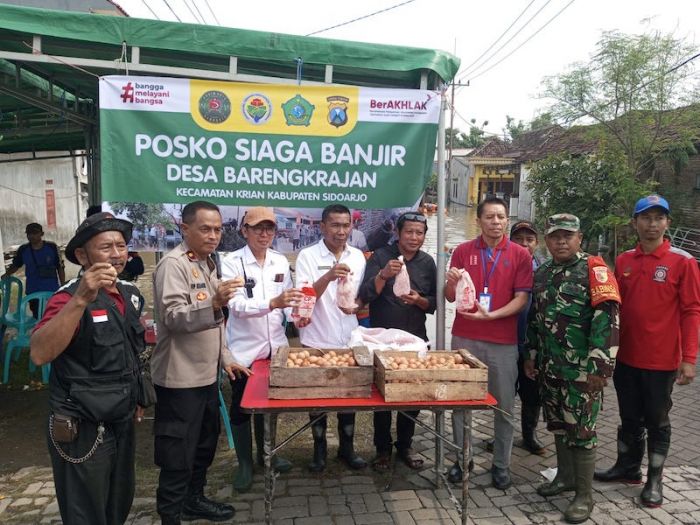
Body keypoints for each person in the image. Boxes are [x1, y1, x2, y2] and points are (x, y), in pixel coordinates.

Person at [29, 212, 145, 525]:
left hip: (120, 418)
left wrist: (137, 396)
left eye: (121, 246)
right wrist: (81, 298)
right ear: (82, 255)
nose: (117, 254)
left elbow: (129, 354)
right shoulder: (66, 297)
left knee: (118, 503)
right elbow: (39, 353)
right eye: (106, 247)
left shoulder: (130, 295)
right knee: (86, 513)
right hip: (81, 426)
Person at [594, 195, 700, 508]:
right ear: (635, 222)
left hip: (661, 360)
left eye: (659, 218)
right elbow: (614, 307)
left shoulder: (683, 262)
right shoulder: (625, 260)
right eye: (646, 218)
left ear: (667, 223)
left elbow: (691, 310)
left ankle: (654, 479)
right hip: (626, 357)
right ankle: (627, 469)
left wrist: (689, 359)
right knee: (629, 418)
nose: (652, 224)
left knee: (657, 421)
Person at [151, 201, 248, 525]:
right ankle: (170, 515)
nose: (213, 235)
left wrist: (227, 359)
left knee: (204, 445)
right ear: (185, 229)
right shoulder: (173, 265)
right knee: (177, 453)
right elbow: (174, 318)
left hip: (206, 377)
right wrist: (217, 303)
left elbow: (216, 323)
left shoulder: (207, 263)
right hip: (180, 380)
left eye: (218, 229)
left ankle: (194, 500)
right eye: (205, 228)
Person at [524, 213, 620, 524]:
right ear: (547, 240)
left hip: (581, 371)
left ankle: (584, 495)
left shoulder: (595, 270)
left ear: (580, 238)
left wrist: (600, 367)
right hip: (551, 367)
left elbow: (608, 322)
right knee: (558, 425)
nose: (561, 241)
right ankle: (564, 478)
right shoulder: (544, 272)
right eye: (555, 236)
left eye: (568, 235)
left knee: (582, 432)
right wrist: (532, 354)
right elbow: (535, 320)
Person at [444, 197, 532, 489]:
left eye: (501, 217)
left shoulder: (520, 255)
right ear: (478, 220)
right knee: (460, 401)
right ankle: (461, 459)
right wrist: (452, 281)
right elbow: (448, 296)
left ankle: (501, 465)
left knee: (504, 406)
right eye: (490, 217)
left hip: (503, 342)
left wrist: (493, 315)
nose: (496, 222)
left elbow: (522, 298)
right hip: (465, 338)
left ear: (507, 220)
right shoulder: (462, 251)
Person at [220, 207, 302, 492]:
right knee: (242, 407)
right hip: (244, 351)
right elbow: (236, 306)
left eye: (269, 228)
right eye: (257, 228)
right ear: (245, 231)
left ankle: (268, 453)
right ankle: (244, 462)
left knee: (271, 407)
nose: (264, 234)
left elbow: (288, 302)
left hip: (275, 348)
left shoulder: (280, 261)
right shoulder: (231, 263)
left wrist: (299, 316)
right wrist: (273, 304)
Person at [359, 211, 436, 471]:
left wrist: (419, 300)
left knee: (411, 395)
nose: (414, 237)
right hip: (384, 342)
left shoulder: (427, 263)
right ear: (398, 233)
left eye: (419, 233)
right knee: (382, 398)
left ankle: (405, 445)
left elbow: (434, 304)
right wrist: (382, 275)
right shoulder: (381, 256)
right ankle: (382, 449)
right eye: (409, 232)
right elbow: (365, 295)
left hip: (415, 340)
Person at [294, 204, 367, 472]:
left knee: (349, 396)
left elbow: (361, 295)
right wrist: (328, 275)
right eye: (335, 225)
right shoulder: (308, 256)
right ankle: (319, 449)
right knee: (318, 397)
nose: (341, 231)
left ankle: (347, 448)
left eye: (346, 225)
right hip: (317, 337)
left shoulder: (358, 256)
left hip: (348, 336)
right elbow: (303, 295)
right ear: (322, 227)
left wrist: (358, 305)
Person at [509, 220, 545, 455]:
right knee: (504, 393)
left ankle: (529, 436)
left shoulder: (545, 271)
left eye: (529, 239)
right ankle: (502, 436)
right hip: (506, 341)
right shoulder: (501, 265)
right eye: (518, 239)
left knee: (533, 394)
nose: (524, 244)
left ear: (537, 243)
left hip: (534, 345)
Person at [2, 222, 65, 317]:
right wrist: (6, 274)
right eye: (29, 233)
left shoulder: (52, 247)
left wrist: (63, 286)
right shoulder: (23, 249)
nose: (31, 236)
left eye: (35, 233)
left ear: (41, 234)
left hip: (51, 291)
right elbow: (16, 265)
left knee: (53, 316)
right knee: (37, 316)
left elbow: (60, 267)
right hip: (33, 291)